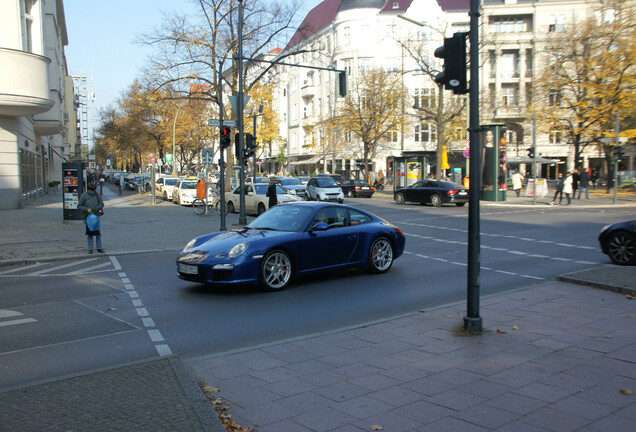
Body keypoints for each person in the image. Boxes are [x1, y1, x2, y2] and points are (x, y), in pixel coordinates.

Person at [78, 182, 105, 253]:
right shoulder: (84, 195)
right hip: (88, 216)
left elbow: (101, 204)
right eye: (91, 190)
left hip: (96, 215)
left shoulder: (97, 195)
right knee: (89, 232)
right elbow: (79, 206)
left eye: (93, 190)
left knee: (97, 232)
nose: (92, 192)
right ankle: (90, 248)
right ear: (88, 190)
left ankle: (99, 247)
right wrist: (86, 209)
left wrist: (97, 208)